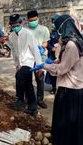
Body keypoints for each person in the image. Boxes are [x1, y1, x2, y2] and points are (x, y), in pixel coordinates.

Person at [31, 14, 83, 145]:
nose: (57, 31)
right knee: (65, 120)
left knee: (68, 121)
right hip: (68, 86)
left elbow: (62, 69)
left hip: (71, 88)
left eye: (59, 28)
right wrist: (53, 61)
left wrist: (45, 65)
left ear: (65, 27)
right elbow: (62, 61)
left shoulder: (72, 45)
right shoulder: (70, 42)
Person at [8, 14, 43, 116]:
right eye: (13, 25)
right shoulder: (11, 36)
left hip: (29, 62)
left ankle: (20, 98)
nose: (15, 27)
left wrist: (39, 66)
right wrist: (16, 64)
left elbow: (35, 50)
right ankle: (33, 108)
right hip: (20, 63)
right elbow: (14, 51)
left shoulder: (28, 33)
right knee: (28, 85)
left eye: (17, 24)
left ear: (21, 23)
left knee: (19, 76)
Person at [27, 10, 50, 109]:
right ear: (28, 20)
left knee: (39, 78)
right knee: (27, 79)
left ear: (38, 18)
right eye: (31, 20)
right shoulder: (26, 30)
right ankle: (29, 99)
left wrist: (40, 47)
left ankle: (40, 100)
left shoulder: (44, 29)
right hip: (29, 57)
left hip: (40, 57)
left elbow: (46, 42)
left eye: (35, 20)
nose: (33, 22)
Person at [45, 14, 60, 94]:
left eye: (55, 22)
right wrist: (52, 48)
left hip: (61, 56)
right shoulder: (51, 33)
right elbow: (47, 44)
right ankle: (54, 87)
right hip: (52, 55)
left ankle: (59, 88)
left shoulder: (62, 32)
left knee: (60, 72)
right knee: (52, 72)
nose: (53, 23)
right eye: (52, 22)